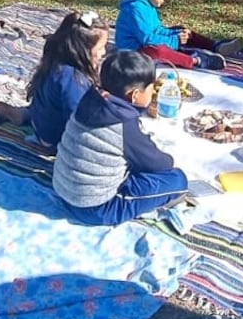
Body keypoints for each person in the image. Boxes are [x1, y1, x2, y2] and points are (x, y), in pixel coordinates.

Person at [52, 50, 188, 224]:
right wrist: (171, 162)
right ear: (135, 95)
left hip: (63, 190)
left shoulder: (89, 99)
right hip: (95, 207)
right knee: (177, 180)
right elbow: (157, 164)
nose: (153, 93)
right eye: (151, 88)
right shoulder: (123, 124)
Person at [0, 10, 109, 150]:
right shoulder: (72, 79)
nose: (104, 53)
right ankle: (34, 126)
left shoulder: (58, 58)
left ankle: (25, 114)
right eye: (101, 48)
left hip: (42, 114)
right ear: (82, 50)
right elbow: (78, 122)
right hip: (52, 138)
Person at [115, 0, 241, 70]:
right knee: (157, 51)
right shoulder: (136, 8)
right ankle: (196, 60)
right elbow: (148, 40)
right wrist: (174, 40)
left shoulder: (147, 4)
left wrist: (175, 34)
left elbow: (157, 29)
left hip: (145, 42)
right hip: (132, 52)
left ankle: (215, 46)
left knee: (181, 30)